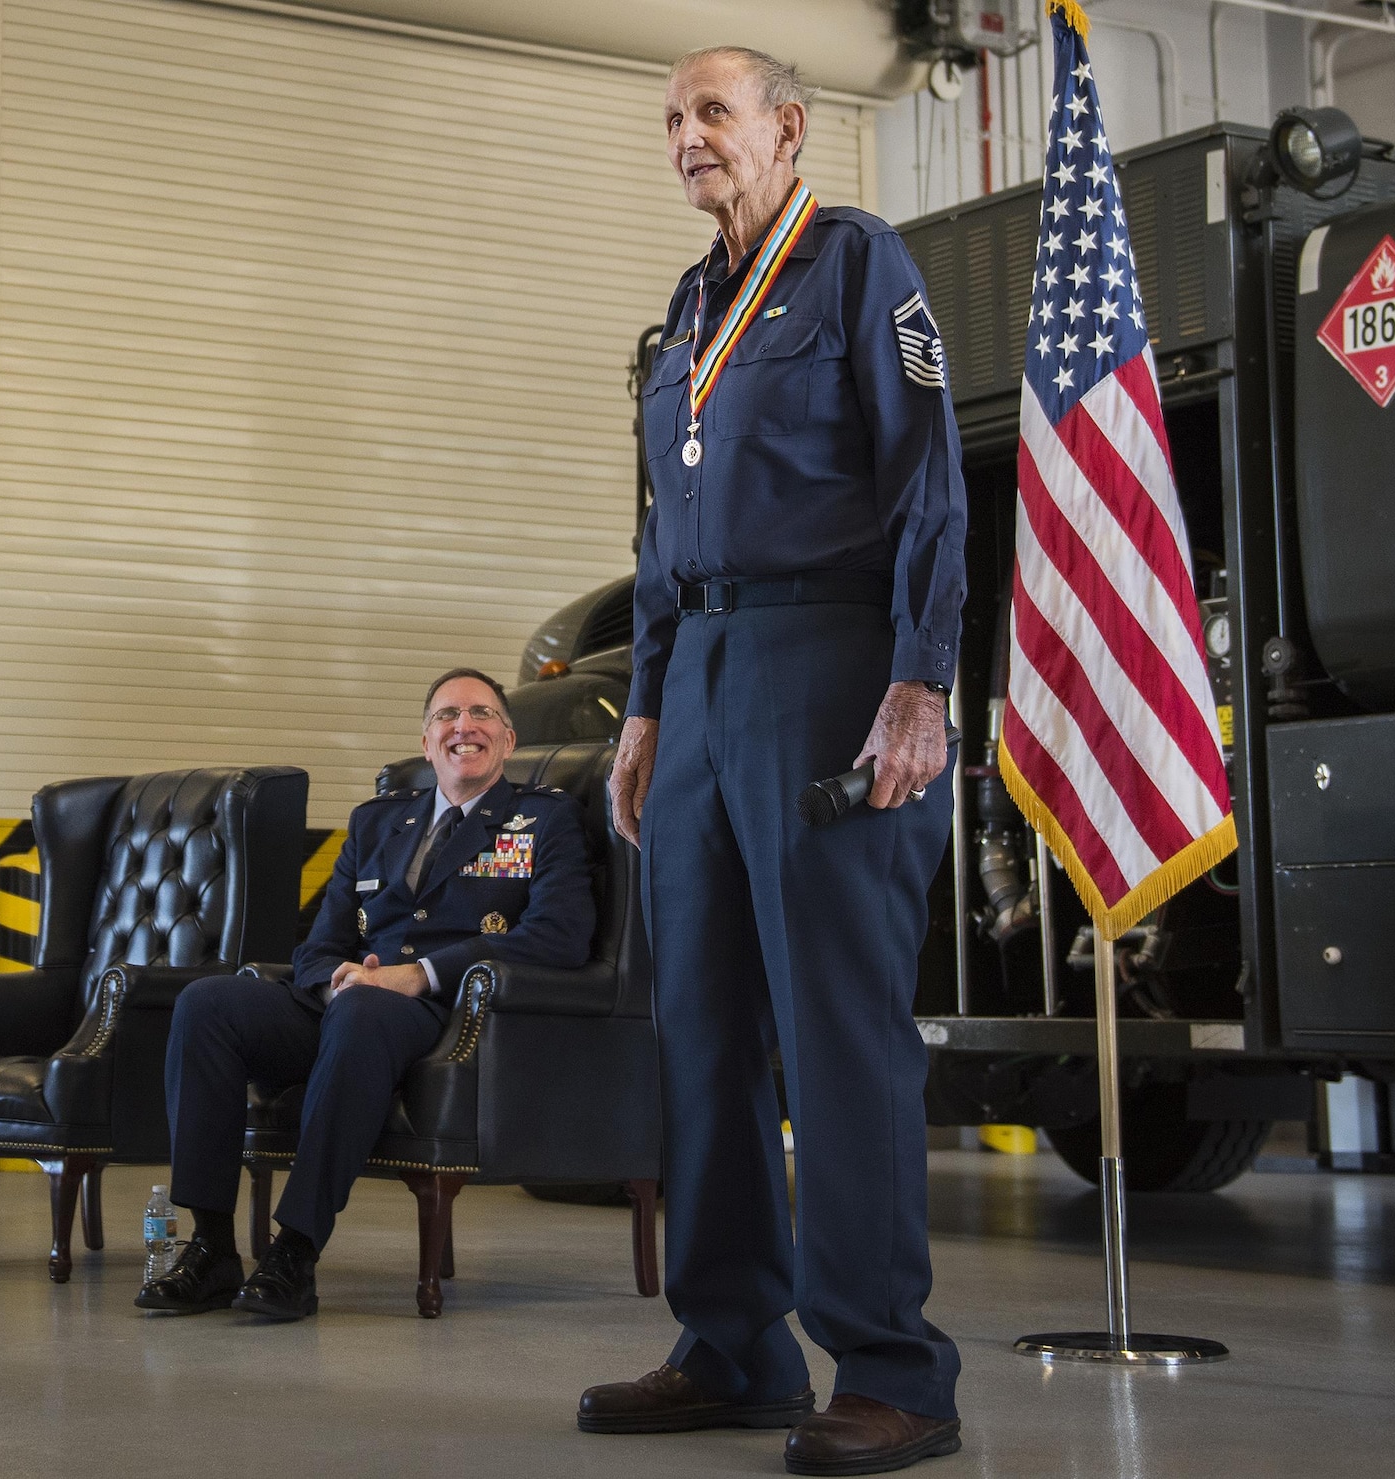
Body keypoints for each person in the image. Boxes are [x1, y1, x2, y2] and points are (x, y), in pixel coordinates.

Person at [579, 45, 969, 1478]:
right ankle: (732, 1339)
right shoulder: (686, 311)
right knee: (706, 1019)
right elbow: (662, 539)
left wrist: (920, 677)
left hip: (832, 668)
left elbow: (929, 478)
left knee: (835, 1022)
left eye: (714, 113)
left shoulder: (861, 265)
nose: (690, 137)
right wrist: (643, 707)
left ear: (789, 129)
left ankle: (890, 1363)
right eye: (673, 120)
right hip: (703, 683)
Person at [137, 668, 594, 1320]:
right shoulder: (379, 821)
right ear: (427, 737)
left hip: (446, 1013)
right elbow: (317, 943)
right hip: (349, 999)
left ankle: (295, 1249)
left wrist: (421, 973)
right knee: (208, 1004)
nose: (464, 725)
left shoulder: (542, 820)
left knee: (365, 1010)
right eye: (447, 715)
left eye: (482, 714)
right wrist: (336, 978)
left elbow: (560, 936)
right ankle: (211, 1244)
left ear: (508, 737)